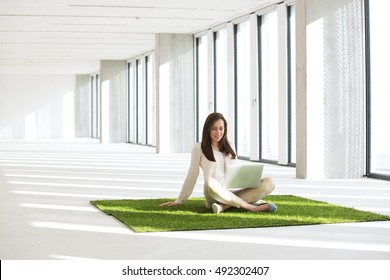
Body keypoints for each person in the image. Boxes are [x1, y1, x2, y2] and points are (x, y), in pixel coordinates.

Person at [160, 112, 277, 213]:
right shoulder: (199, 148)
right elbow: (192, 175)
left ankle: (224, 206)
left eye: (221, 128)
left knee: (269, 182)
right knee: (210, 182)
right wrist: (179, 200)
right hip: (213, 194)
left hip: (233, 192)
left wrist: (248, 180)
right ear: (208, 129)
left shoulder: (230, 145)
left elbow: (235, 173)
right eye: (214, 128)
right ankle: (252, 207)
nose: (218, 132)